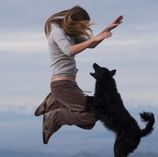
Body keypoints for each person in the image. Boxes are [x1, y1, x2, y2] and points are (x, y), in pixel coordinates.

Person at [34, 5, 123, 144]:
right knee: (91, 117)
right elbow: (69, 50)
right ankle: (54, 115)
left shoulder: (69, 33)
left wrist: (108, 29)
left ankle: (56, 101)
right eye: (83, 25)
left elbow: (91, 45)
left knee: (89, 122)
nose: (84, 29)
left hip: (69, 85)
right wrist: (93, 39)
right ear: (75, 21)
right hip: (61, 86)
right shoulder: (57, 32)